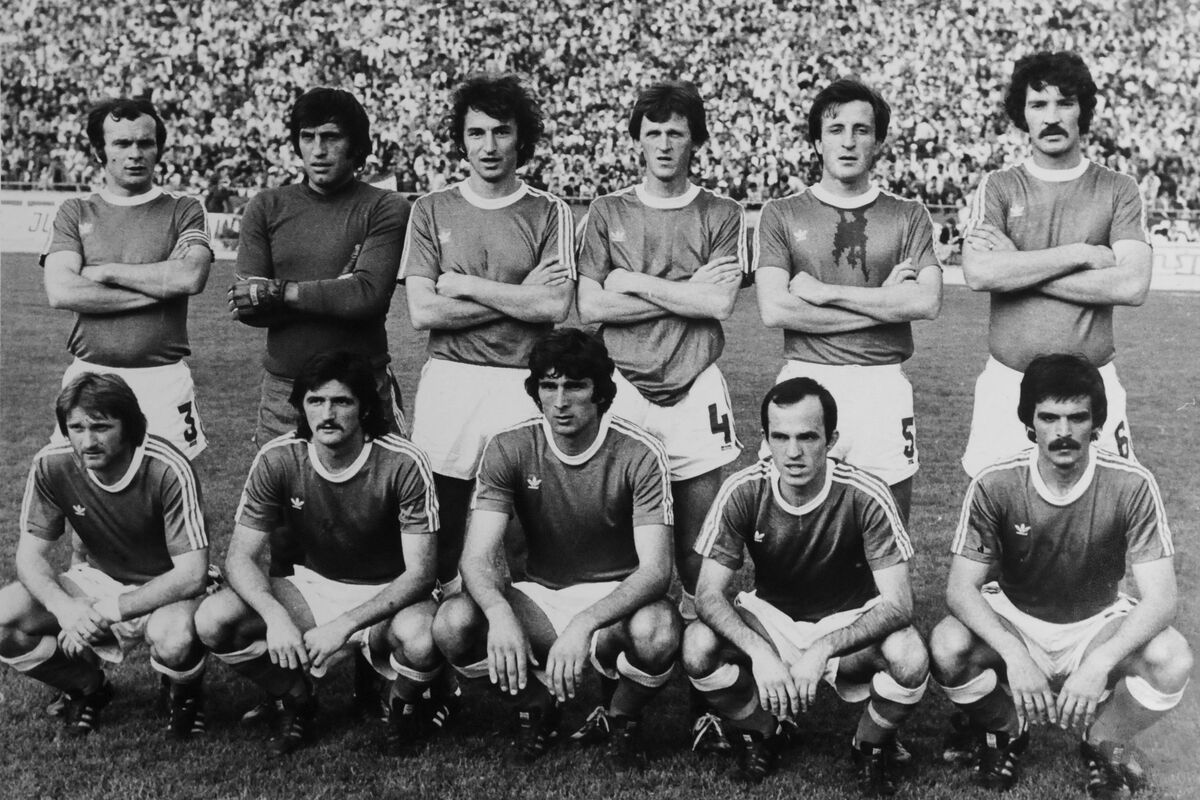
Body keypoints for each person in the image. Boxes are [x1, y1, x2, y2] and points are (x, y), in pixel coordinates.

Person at [931, 354, 1191, 797]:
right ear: (1030, 423)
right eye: (1049, 417)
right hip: (1017, 614)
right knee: (947, 644)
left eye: (1077, 418)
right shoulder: (996, 482)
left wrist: (1100, 662)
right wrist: (1014, 654)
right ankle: (1006, 729)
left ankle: (1103, 739)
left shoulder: (1132, 484)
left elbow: (1162, 599)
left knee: (1173, 658)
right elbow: (960, 589)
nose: (1063, 432)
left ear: (1097, 423)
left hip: (1095, 623)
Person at [432, 329, 679, 770]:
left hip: (614, 605)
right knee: (453, 624)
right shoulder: (509, 446)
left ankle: (621, 715)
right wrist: (500, 614)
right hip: (540, 600)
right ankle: (535, 704)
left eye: (575, 386)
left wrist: (585, 623)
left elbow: (657, 570)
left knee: (657, 630)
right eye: (549, 386)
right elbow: (475, 557)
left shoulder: (641, 452)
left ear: (600, 393)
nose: (560, 401)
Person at [682, 377, 927, 793]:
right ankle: (765, 732)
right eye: (780, 437)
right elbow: (707, 594)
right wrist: (760, 652)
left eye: (807, 437)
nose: (793, 452)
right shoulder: (743, 490)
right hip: (773, 622)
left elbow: (899, 604)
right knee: (697, 644)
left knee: (910, 655)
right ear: (766, 440)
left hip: (847, 622)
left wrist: (823, 648)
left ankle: (868, 745)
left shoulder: (866, 494)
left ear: (831, 439)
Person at [194, 352, 441, 757]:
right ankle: (295, 696)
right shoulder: (278, 457)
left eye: (341, 401)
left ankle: (401, 703)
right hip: (317, 587)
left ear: (364, 407)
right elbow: (240, 557)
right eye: (315, 401)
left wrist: (343, 626)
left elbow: (420, 574)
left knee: (422, 638)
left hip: (390, 594)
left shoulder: (403, 461)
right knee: (213, 618)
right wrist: (276, 617)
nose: (327, 414)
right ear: (300, 406)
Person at [576, 80, 744, 624]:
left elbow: (718, 302)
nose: (665, 144)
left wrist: (630, 280)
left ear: (696, 140)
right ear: (637, 141)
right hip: (621, 388)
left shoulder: (722, 212)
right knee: (617, 547)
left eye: (676, 133)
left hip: (696, 387)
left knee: (700, 554)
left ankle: (700, 659)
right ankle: (628, 658)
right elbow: (591, 307)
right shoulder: (607, 210)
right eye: (654, 133)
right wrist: (685, 291)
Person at [401, 73, 574, 593]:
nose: (489, 146)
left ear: (521, 138)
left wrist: (467, 286)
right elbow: (423, 312)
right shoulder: (431, 208)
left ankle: (517, 628)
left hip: (521, 382)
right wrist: (519, 296)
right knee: (443, 521)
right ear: (461, 140)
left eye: (501, 131)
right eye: (476, 133)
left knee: (520, 525)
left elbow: (555, 304)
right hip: (450, 380)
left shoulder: (550, 211)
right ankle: (441, 632)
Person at [754, 79, 942, 522]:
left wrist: (827, 294)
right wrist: (884, 302)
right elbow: (775, 309)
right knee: (791, 528)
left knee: (888, 530)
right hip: (805, 379)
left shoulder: (909, 214)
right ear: (817, 142)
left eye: (862, 130)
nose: (849, 141)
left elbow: (927, 302)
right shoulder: (781, 213)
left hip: (882, 384)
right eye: (836, 129)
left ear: (878, 142)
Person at [959, 52, 1152, 478]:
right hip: (1008, 383)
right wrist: (1080, 254)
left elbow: (1132, 285)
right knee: (996, 510)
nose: (1051, 117)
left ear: (1083, 109)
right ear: (1022, 113)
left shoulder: (1118, 188)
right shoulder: (999, 186)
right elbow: (979, 273)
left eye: (1064, 102)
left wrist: (1016, 266)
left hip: (1092, 387)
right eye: (1038, 104)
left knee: (1106, 510)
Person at [0, 373, 210, 739]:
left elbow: (192, 574)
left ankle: (184, 694)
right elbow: (29, 558)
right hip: (99, 579)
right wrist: (65, 608)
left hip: (167, 584)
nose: (88, 441)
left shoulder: (166, 467)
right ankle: (86, 686)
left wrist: (107, 611)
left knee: (173, 637)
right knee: (3, 617)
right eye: (76, 428)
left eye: (101, 427)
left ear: (129, 426)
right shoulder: (52, 464)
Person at [229, 87, 410, 453]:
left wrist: (280, 292)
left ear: (356, 145)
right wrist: (336, 293)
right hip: (284, 393)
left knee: (373, 488)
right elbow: (248, 306)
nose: (318, 150)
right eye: (307, 137)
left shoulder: (386, 206)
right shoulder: (265, 206)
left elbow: (367, 296)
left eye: (331, 137)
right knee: (281, 489)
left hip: (362, 391)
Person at [43, 97, 212, 459]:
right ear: (99, 151)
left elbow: (191, 275)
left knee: (170, 486)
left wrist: (107, 272)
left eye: (145, 143)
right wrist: (161, 286)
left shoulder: (184, 208)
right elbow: (61, 290)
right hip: (90, 377)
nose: (135, 153)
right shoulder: (75, 211)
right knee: (84, 486)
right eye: (121, 143)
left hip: (162, 380)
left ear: (158, 149)